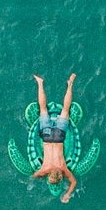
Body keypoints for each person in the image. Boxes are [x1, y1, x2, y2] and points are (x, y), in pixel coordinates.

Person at [30, 72, 78, 202]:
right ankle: (40, 83)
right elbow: (33, 176)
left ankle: (70, 84)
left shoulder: (62, 168)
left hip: (58, 136)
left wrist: (68, 193)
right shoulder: (44, 170)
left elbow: (73, 182)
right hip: (46, 136)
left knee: (65, 110)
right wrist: (34, 177)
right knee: (43, 109)